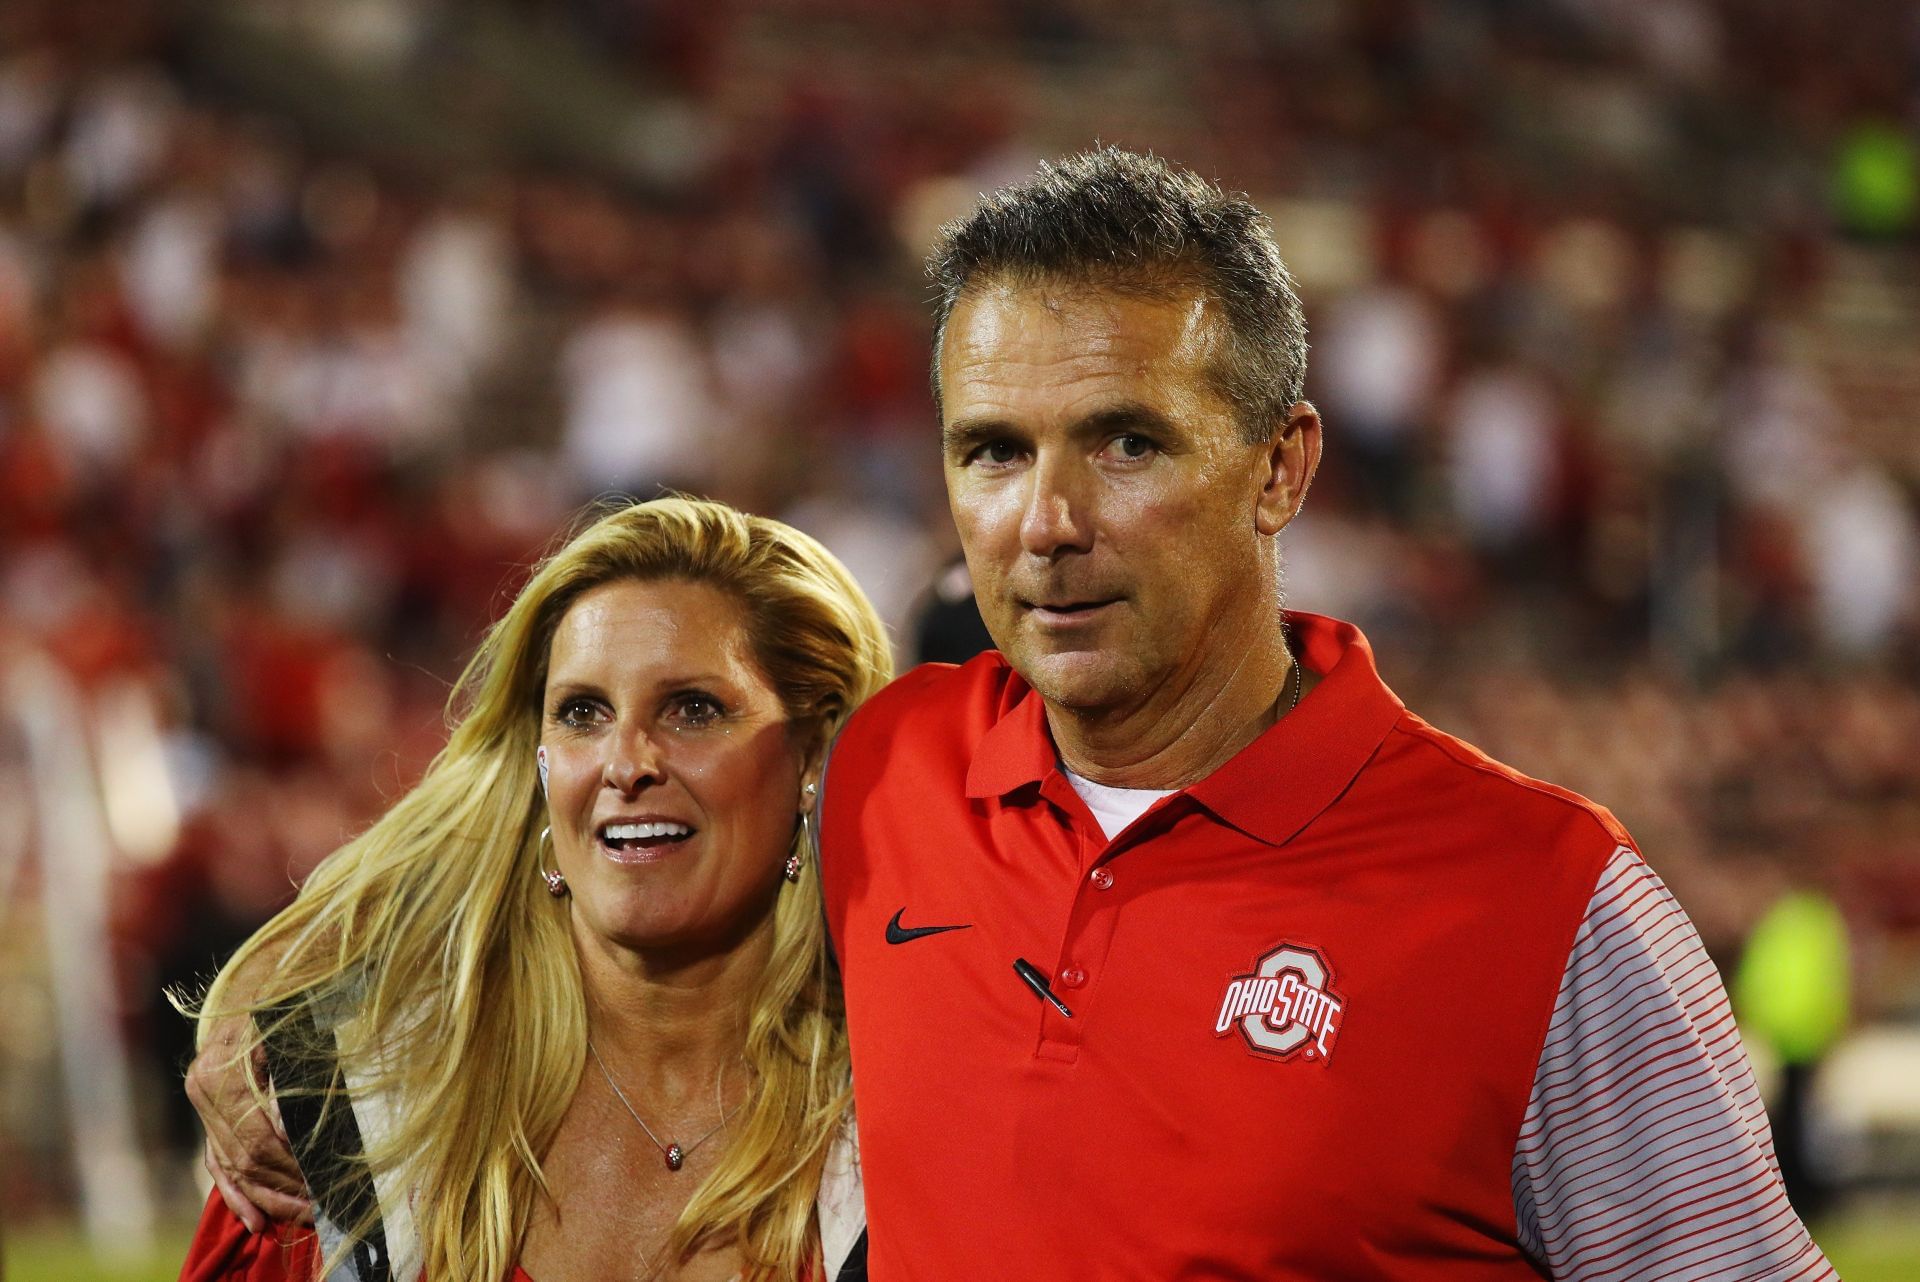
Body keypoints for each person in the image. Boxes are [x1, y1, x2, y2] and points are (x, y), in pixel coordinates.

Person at [193, 150, 1837, 1280]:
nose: (1044, 522)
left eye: (1126, 443)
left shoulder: (1544, 904)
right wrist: (253, 1017)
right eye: (992, 451)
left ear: (1285, 465)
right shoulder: (891, 770)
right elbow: (552, 811)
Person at [179, 496, 890, 1281]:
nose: (626, 764)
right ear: (539, 758)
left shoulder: (914, 1098)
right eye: (582, 712)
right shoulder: (345, 1109)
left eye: (693, 710)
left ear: (813, 753)